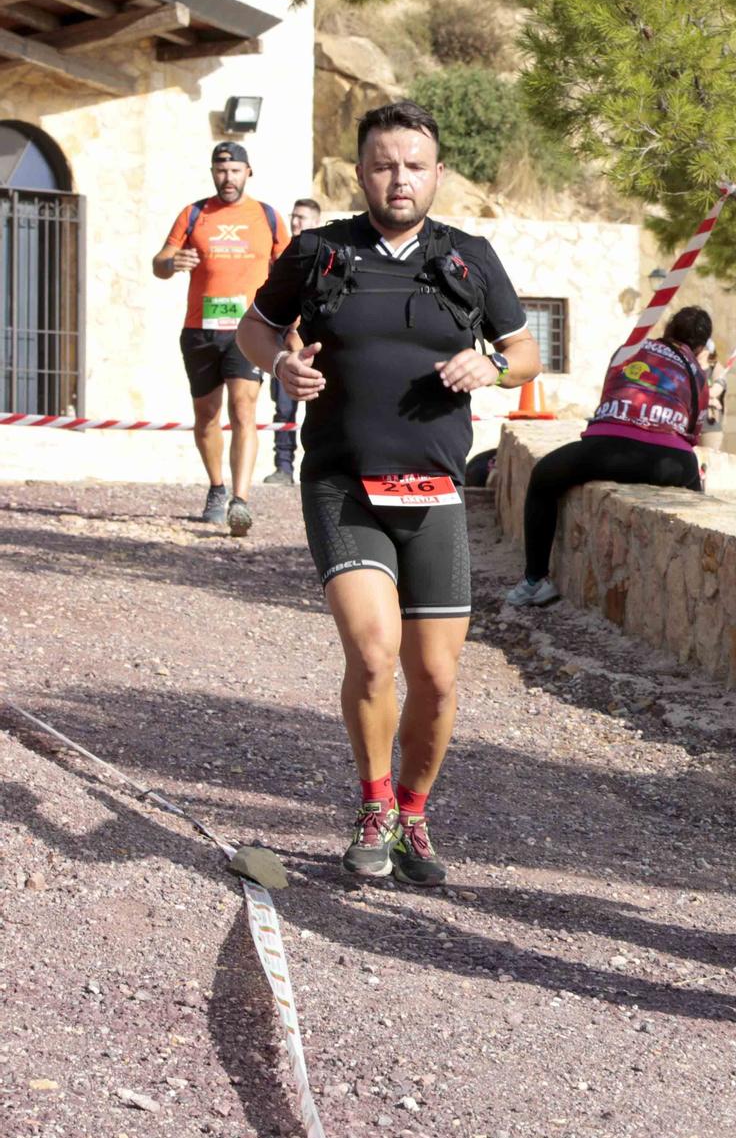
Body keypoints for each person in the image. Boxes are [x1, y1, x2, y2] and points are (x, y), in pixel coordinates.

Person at [236, 101, 541, 888]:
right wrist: (282, 367)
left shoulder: (469, 257)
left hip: (435, 490)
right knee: (373, 654)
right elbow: (253, 330)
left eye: (413, 164)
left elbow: (525, 350)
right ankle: (372, 805)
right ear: (360, 172)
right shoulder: (318, 252)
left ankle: (413, 809)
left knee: (436, 677)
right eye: (382, 163)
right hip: (343, 482)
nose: (398, 177)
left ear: (438, 174)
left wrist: (493, 369)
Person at [504, 306, 713, 608]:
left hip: (607, 449)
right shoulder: (697, 372)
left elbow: (609, 395)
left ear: (667, 329)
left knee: (542, 478)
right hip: (671, 459)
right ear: (701, 346)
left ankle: (535, 580)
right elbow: (694, 432)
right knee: (697, 501)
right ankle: (699, 590)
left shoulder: (629, 349)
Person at [152, 141, 290, 533]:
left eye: (234, 171)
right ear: (213, 173)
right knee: (206, 415)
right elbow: (159, 262)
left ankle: (240, 500)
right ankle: (217, 487)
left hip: (249, 330)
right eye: (220, 171)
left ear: (248, 172)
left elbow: (288, 269)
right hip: (200, 329)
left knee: (244, 410)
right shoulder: (195, 213)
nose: (226, 178)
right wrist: (171, 262)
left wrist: (289, 323)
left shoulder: (266, 216)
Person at [265, 197, 324, 486]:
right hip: (286, 347)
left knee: (323, 411)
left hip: (316, 347)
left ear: (316, 222)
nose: (296, 222)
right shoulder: (281, 257)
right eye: (294, 217)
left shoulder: (325, 257)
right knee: (284, 410)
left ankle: (321, 471)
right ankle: (283, 468)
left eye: (302, 218)